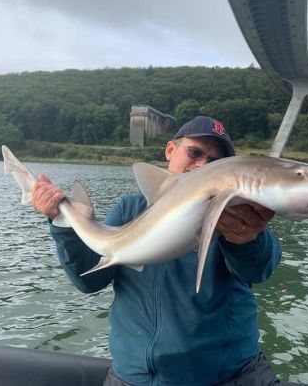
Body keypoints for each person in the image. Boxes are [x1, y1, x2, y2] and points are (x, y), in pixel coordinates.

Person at [32, 116, 283, 385]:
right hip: (133, 377)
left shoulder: (234, 214)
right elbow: (88, 280)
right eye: (194, 152)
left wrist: (248, 238)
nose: (202, 165)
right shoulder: (130, 209)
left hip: (228, 377)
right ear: (170, 150)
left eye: (214, 162)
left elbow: (259, 269)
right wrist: (65, 225)